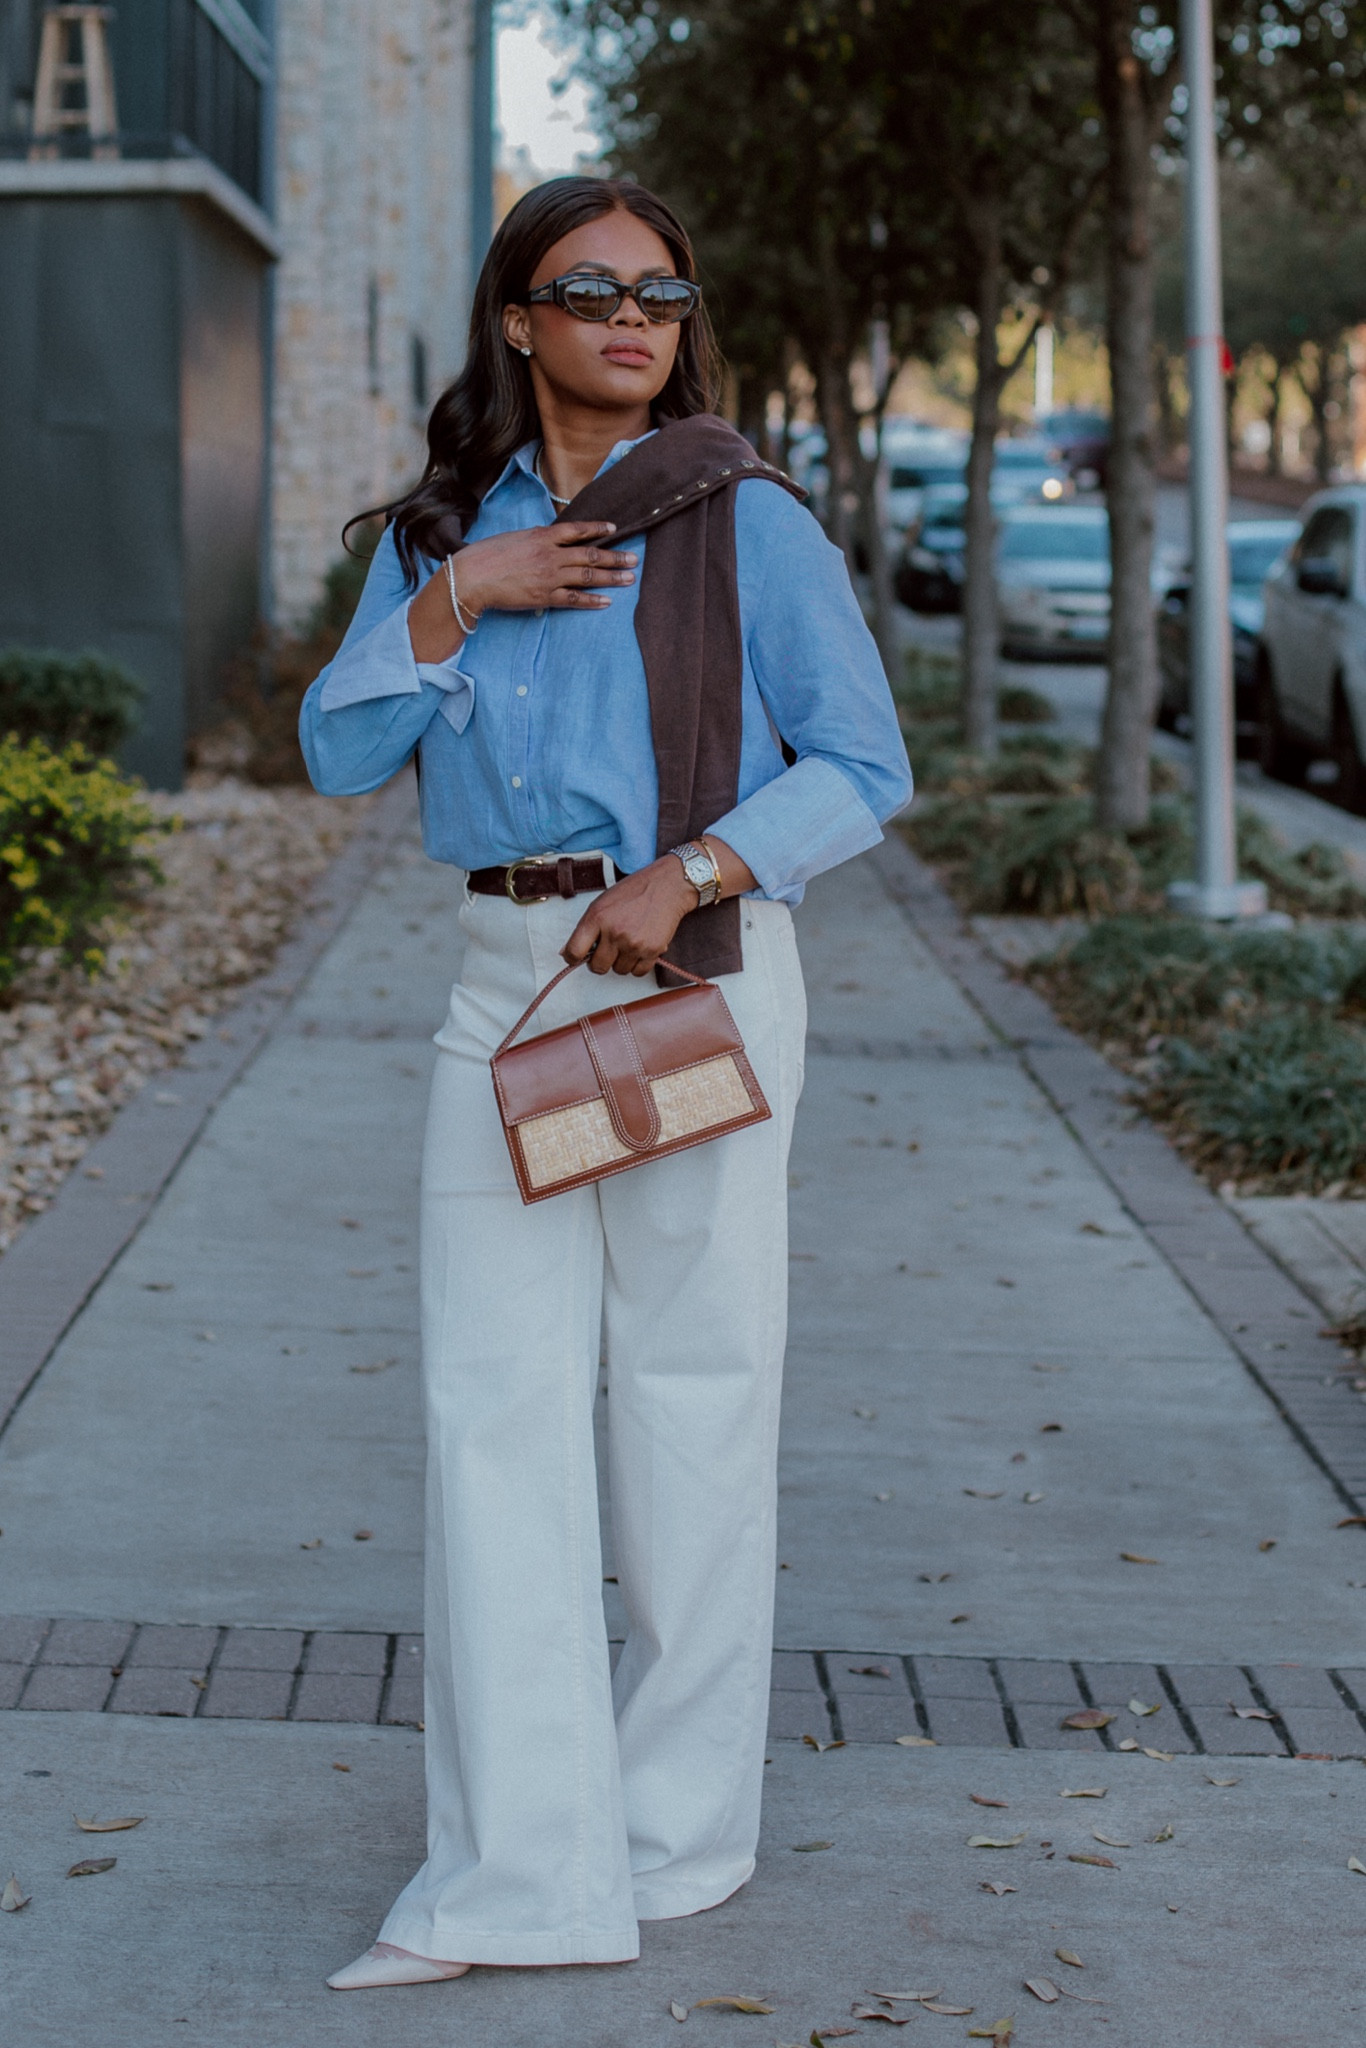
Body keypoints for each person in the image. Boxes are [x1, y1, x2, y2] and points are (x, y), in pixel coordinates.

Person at [299, 175, 911, 1991]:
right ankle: (519, 1870)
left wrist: (694, 869)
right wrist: (455, 600)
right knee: (488, 1404)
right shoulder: (443, 531)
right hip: (506, 982)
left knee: (690, 1397)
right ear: (519, 318)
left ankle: (671, 1833)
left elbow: (860, 767)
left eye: (659, 293)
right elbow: (340, 751)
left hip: (690, 972)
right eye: (589, 290)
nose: (632, 318)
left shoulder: (743, 517)